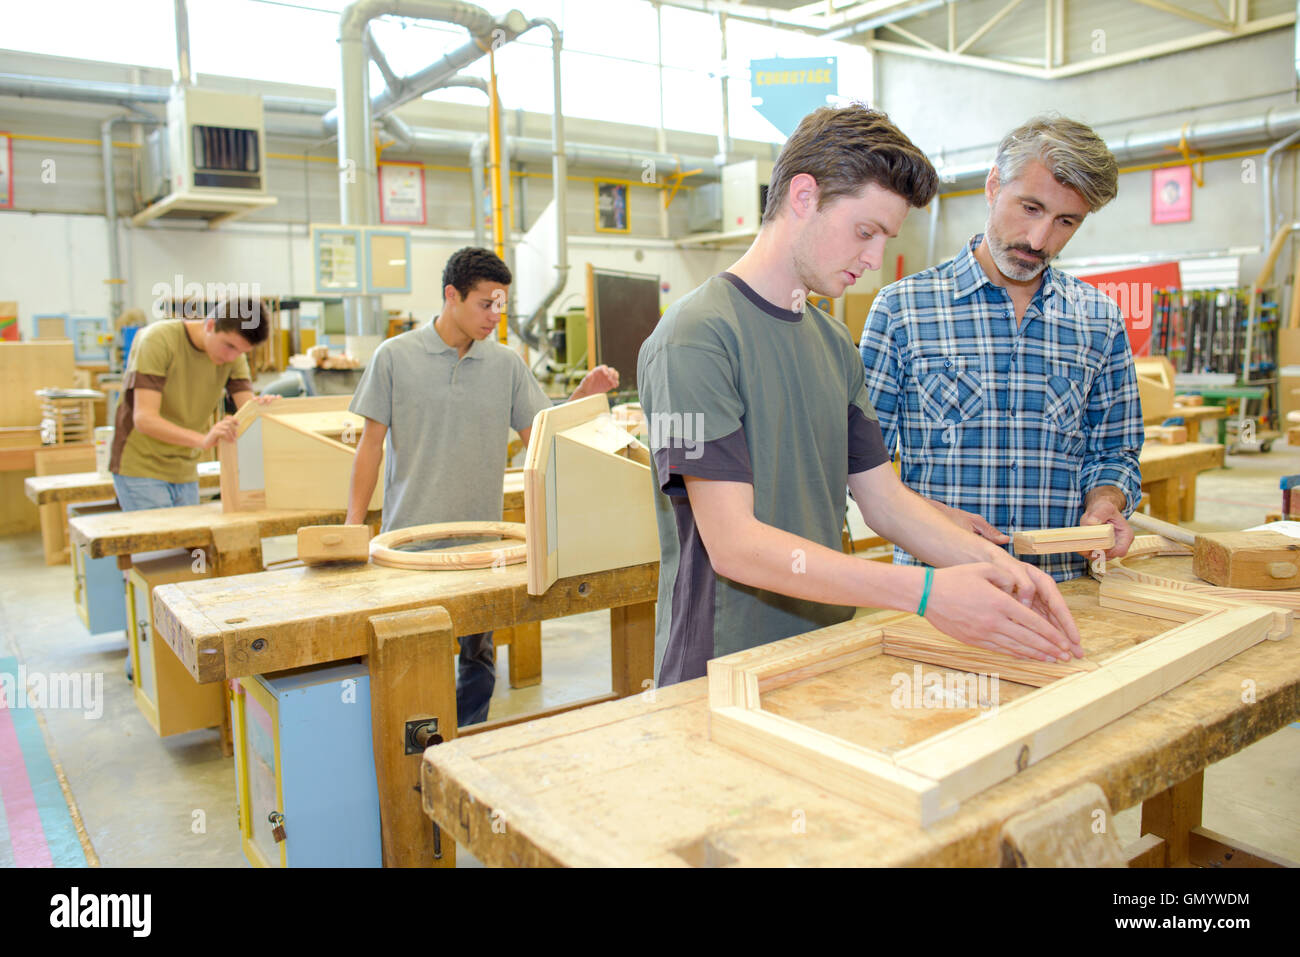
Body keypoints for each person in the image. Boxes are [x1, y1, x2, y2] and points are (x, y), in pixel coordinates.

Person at [637, 105, 1083, 689]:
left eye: (885, 238)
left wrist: (1008, 574)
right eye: (865, 232)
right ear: (803, 197)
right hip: (720, 667)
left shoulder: (831, 342)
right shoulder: (695, 336)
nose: (874, 259)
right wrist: (925, 593)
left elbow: (884, 502)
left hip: (824, 652)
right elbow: (735, 546)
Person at [859, 115, 1143, 581]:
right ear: (993, 185)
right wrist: (930, 520)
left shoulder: (1099, 320)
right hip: (940, 588)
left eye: (1065, 221)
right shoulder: (902, 311)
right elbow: (859, 464)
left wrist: (1106, 503)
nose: (1039, 240)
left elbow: (1114, 450)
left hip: (1064, 587)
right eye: (1030, 208)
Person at [345, 247, 619, 726]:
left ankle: (466, 749)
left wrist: (581, 399)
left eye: (501, 306)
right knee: (410, 659)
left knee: (479, 664)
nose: (494, 316)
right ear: (451, 296)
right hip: (410, 546)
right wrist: (352, 527)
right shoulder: (395, 358)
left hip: (482, 547)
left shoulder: (506, 365)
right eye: (484, 304)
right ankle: (418, 754)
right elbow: (369, 447)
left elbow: (539, 437)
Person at [110, 299, 273, 512]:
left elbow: (249, 412)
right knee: (161, 545)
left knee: (189, 543)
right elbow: (144, 419)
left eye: (241, 351)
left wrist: (265, 408)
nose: (231, 356)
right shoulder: (158, 340)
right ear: (211, 324)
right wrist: (203, 440)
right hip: (142, 467)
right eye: (229, 346)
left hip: (185, 468)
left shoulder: (234, 356)